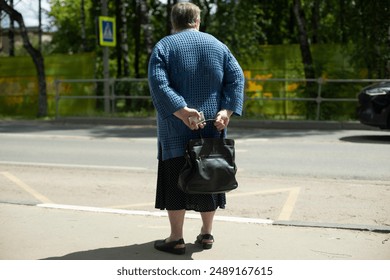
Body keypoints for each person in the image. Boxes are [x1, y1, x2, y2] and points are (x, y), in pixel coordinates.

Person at [148, 2, 244, 255]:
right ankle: (207, 233)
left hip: (175, 132)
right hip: (212, 126)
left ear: (173, 22)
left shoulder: (164, 46)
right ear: (197, 20)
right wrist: (226, 111)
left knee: (175, 180)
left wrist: (181, 111)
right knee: (209, 177)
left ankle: (176, 238)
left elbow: (158, 83)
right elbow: (237, 78)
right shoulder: (218, 45)